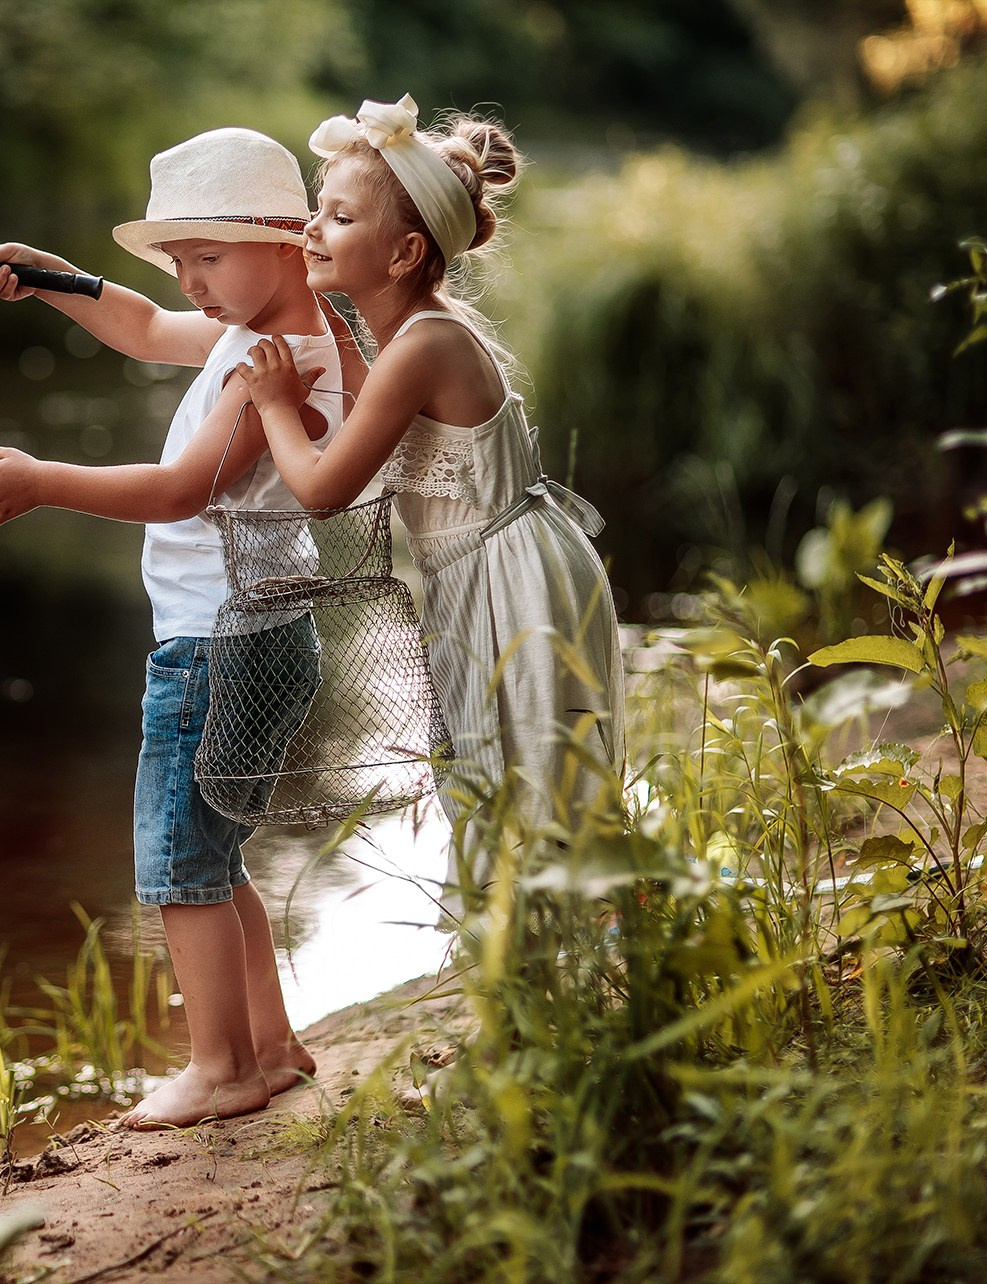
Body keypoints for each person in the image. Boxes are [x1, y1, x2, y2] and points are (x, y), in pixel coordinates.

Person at [0, 127, 354, 1128]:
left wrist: (45, 481)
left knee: (181, 863)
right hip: (265, 633)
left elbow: (183, 490)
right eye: (179, 263)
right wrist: (54, 280)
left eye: (206, 259)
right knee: (216, 855)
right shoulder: (265, 330)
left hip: (218, 647)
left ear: (285, 239)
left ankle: (219, 1068)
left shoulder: (281, 359)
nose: (189, 285)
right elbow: (137, 328)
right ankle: (270, 1047)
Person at [234, 96, 625, 905]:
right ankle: (530, 964)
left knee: (530, 776)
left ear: (405, 251)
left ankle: (560, 964)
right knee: (495, 772)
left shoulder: (422, 347)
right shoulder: (408, 331)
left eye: (338, 218)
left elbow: (321, 491)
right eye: (318, 211)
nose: (312, 230)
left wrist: (273, 404)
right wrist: (66, 286)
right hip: (481, 572)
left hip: (508, 580)